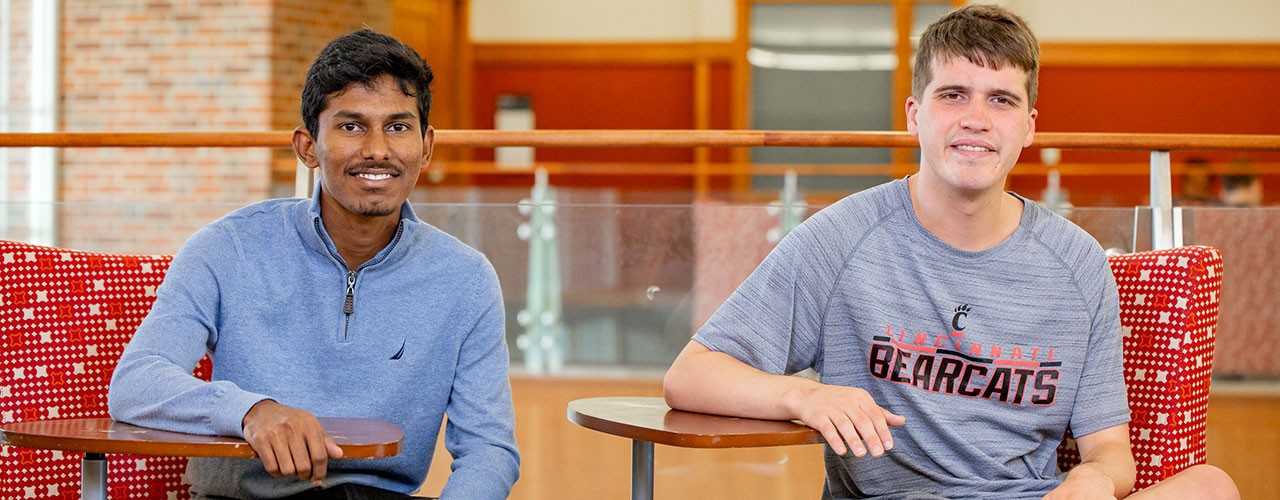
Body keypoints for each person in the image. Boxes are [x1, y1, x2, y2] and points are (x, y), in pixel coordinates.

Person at [663, 5, 1237, 499]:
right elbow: (690, 375)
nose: (976, 120)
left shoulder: (1079, 263)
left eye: (1002, 100)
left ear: (1029, 127)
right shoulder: (840, 238)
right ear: (916, 115)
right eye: (953, 94)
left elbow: (1111, 449)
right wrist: (805, 395)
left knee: (1211, 486)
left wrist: (1094, 479)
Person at [108, 29, 519, 499]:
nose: (377, 150)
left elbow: (490, 448)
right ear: (307, 146)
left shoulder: (466, 278)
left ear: (426, 146)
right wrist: (251, 411)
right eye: (351, 126)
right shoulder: (227, 247)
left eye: (398, 127)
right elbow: (136, 382)